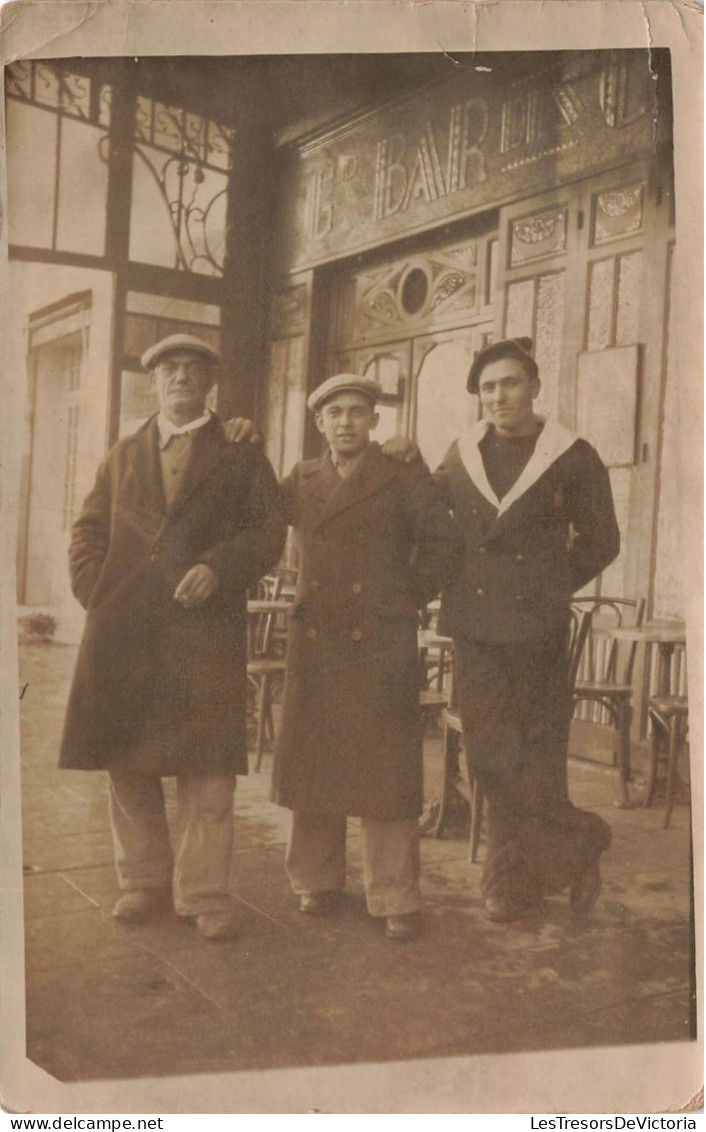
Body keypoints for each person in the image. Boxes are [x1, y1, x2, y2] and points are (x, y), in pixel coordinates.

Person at [59, 334, 286, 940]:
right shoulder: (125, 452)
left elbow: (269, 532)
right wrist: (98, 595)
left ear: (210, 383)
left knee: (206, 770)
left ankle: (203, 894)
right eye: (168, 370)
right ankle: (142, 882)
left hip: (202, 635)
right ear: (153, 382)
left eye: (192, 369)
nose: (180, 378)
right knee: (128, 766)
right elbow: (87, 531)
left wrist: (219, 567)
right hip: (125, 637)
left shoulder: (240, 454)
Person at [388, 337, 620, 922]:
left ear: (535, 386)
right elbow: (431, 517)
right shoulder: (461, 452)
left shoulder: (571, 454)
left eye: (510, 383)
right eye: (488, 387)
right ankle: (581, 838)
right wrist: (408, 464)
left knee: (537, 754)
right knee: (491, 755)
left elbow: (602, 541)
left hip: (538, 627)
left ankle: (509, 884)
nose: (498, 396)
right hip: (477, 625)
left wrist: (548, 582)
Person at [270, 374, 462, 941]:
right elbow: (251, 509)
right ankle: (314, 880)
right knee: (315, 761)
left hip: (380, 638)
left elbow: (443, 545)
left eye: (358, 411)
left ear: (375, 421)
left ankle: (394, 894)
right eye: (335, 413)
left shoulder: (401, 473)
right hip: (318, 640)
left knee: (386, 769)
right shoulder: (301, 478)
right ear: (319, 422)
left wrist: (401, 597)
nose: (346, 421)